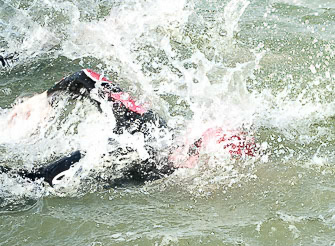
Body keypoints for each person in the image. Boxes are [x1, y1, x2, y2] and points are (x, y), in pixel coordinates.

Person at [0, 67, 252, 187]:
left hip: (85, 165)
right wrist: (44, 100)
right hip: (45, 179)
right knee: (30, 182)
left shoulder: (152, 136)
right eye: (195, 147)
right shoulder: (148, 129)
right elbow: (86, 78)